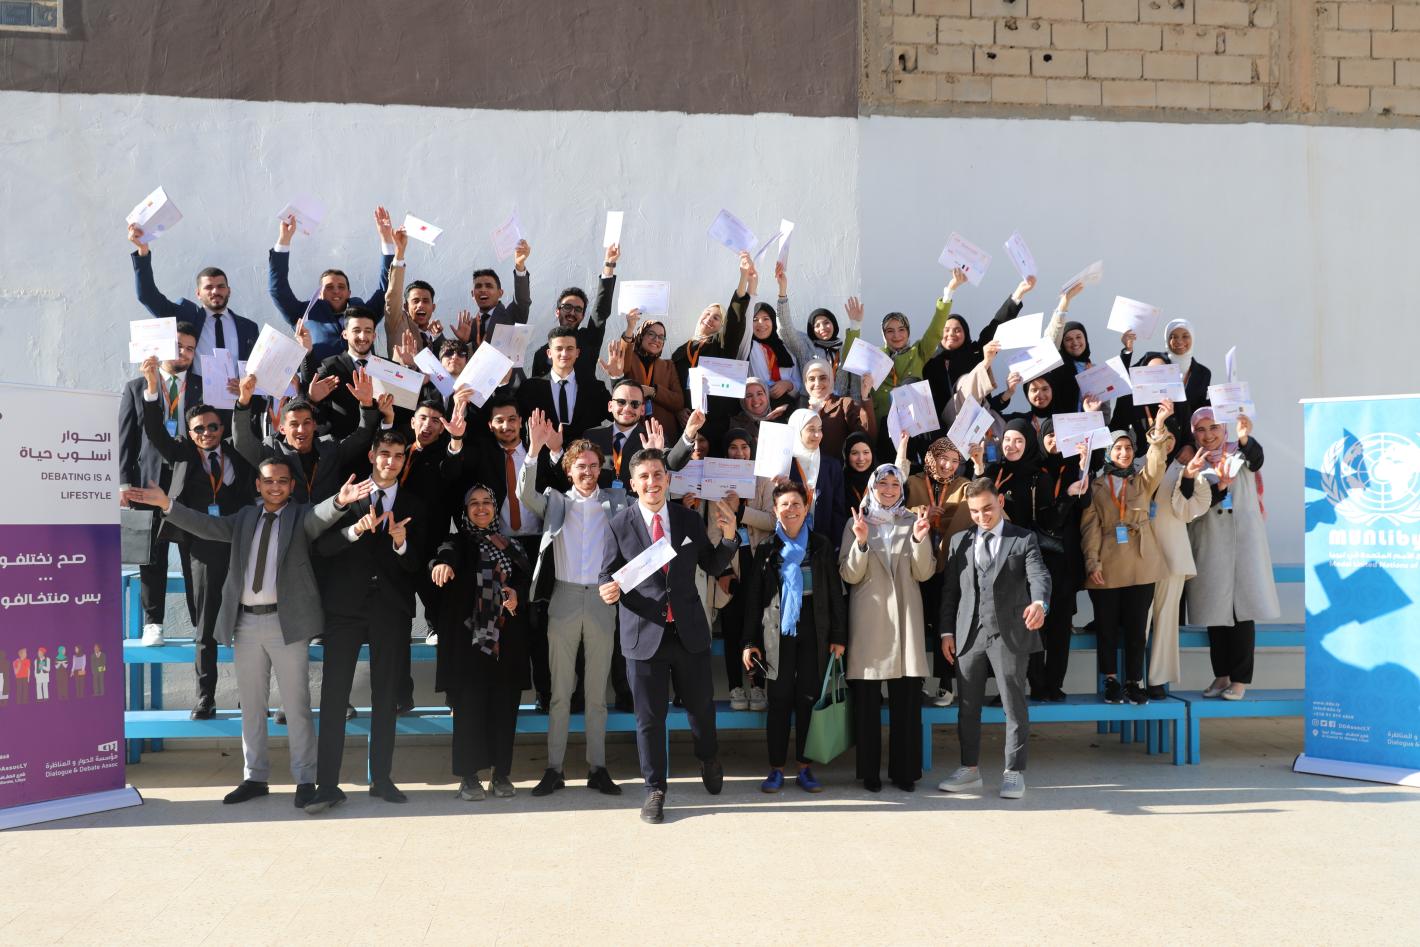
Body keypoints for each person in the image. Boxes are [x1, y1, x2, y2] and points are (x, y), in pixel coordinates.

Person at [122, 464, 369, 807]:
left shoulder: (299, 517)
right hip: (246, 624)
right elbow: (206, 526)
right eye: (268, 481)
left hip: (287, 625)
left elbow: (319, 518)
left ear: (291, 485)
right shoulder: (244, 518)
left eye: (282, 481)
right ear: (258, 484)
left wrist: (339, 501)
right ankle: (255, 777)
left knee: (296, 706)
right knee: (251, 707)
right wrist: (167, 504)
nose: (275, 486)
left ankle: (305, 780)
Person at [598, 448, 741, 824]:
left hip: (688, 631)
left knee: (701, 709)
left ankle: (708, 757)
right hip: (643, 635)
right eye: (644, 476)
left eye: (658, 474)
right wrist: (607, 589)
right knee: (649, 718)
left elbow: (711, 564)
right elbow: (606, 574)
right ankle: (654, 789)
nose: (652, 482)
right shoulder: (618, 525)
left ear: (668, 479)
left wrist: (729, 538)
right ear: (633, 484)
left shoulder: (687, 519)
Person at [305, 431, 426, 813]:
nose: (391, 461)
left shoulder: (413, 503)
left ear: (404, 460)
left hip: (390, 610)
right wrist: (355, 530)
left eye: (398, 455)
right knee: (334, 697)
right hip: (345, 609)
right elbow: (322, 547)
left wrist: (401, 542)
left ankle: (382, 779)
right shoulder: (349, 494)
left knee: (386, 697)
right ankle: (327, 785)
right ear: (372, 456)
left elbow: (417, 564)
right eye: (385, 454)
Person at [139, 355, 257, 718]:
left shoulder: (239, 453)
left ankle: (251, 696)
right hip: (202, 550)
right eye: (199, 429)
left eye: (213, 426)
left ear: (222, 427)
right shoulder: (184, 455)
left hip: (241, 545)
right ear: (190, 434)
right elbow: (155, 431)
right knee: (205, 626)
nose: (207, 433)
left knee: (249, 626)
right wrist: (152, 388)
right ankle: (205, 697)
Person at [519, 423, 629, 797]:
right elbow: (524, 494)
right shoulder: (555, 501)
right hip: (563, 598)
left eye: (594, 465)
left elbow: (650, 502)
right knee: (560, 692)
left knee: (597, 694)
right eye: (581, 466)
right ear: (569, 470)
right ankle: (554, 769)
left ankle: (598, 768)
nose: (588, 472)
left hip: (602, 599)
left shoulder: (617, 500)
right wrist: (533, 451)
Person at [936, 478, 1050, 800]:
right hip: (968, 634)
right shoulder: (959, 541)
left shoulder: (1023, 538)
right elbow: (950, 592)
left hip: (1009, 633)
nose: (981, 516)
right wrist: (947, 631)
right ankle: (969, 769)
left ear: (1000, 501)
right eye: (974, 511)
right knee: (967, 706)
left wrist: (1039, 603)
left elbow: (1039, 575)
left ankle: (1014, 772)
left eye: (987, 508)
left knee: (1013, 705)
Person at [742, 481, 847, 793]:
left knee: (808, 699)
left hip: (815, 628)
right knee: (778, 700)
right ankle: (776, 769)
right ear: (775, 510)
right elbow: (754, 600)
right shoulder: (767, 549)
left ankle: (804, 768)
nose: (791, 510)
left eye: (796, 504)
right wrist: (749, 642)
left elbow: (835, 594)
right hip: (777, 632)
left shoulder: (820, 545)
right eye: (784, 505)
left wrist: (839, 635)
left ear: (806, 508)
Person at [430, 485, 532, 801]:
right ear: (465, 511)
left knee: (504, 710)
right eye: (473, 503)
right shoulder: (457, 542)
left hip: (507, 642)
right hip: (469, 644)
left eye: (487, 502)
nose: (481, 508)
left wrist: (516, 594)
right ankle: (469, 777)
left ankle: (501, 775)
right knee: (469, 711)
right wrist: (442, 565)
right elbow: (445, 556)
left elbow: (525, 581)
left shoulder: (513, 546)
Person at [839, 466, 935, 791]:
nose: (890, 489)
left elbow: (924, 573)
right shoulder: (856, 522)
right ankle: (869, 773)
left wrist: (920, 539)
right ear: (872, 487)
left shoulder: (912, 521)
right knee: (867, 703)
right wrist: (861, 542)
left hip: (905, 619)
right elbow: (849, 575)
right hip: (870, 619)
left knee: (906, 700)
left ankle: (904, 772)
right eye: (883, 483)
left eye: (895, 484)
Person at [1081, 404, 1174, 705]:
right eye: (1118, 448)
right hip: (1107, 562)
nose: (1124, 453)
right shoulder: (1095, 486)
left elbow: (1157, 461)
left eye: (1128, 448)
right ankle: (1110, 680)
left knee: (1137, 628)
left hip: (1141, 560)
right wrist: (1092, 562)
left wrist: (1159, 425)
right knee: (1106, 626)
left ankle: (1135, 681)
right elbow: (1090, 529)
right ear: (1108, 453)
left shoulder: (1142, 481)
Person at [119, 322, 203, 647]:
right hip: (149, 479)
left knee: (194, 554)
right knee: (151, 555)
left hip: (190, 479)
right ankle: (153, 622)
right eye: (178, 346)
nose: (184, 353)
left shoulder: (203, 386)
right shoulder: (136, 386)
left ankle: (201, 622)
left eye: (190, 348)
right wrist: (124, 483)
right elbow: (127, 437)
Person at [1186, 407, 1279, 700]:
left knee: (1242, 612)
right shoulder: (1192, 462)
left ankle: (1240, 679)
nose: (1208, 435)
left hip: (1243, 543)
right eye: (1201, 430)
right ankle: (1221, 675)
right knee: (1215, 612)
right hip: (1210, 541)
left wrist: (1244, 438)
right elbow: (1192, 502)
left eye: (1213, 427)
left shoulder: (1240, 454)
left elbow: (1256, 458)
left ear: (1223, 429)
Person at [268, 206, 396, 361]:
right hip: (319, 375)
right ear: (320, 294)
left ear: (349, 293)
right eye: (329, 287)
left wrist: (387, 240)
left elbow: (387, 288)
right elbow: (278, 289)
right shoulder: (304, 313)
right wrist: (284, 240)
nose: (336, 291)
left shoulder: (364, 312)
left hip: (363, 376)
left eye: (341, 287)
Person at [231, 372, 379, 504]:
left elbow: (362, 436)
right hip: (288, 523)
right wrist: (243, 401)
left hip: (328, 522)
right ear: (282, 429)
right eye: (294, 424)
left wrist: (366, 404)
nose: (301, 430)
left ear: (314, 425)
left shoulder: (330, 448)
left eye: (306, 423)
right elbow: (242, 442)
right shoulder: (272, 451)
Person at [843, 267, 967, 421]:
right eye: (890, 331)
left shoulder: (918, 352)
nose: (896, 335)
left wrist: (949, 292)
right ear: (884, 334)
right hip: (883, 425)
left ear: (908, 332)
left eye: (901, 329)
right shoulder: (876, 356)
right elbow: (850, 358)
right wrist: (855, 326)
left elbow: (935, 330)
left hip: (915, 425)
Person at [1026, 420, 1092, 701]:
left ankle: (1054, 684)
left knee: (1060, 629)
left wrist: (1085, 466)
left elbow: (1086, 502)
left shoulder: (1073, 468)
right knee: (1035, 626)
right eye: (1049, 435)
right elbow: (1045, 518)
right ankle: (1037, 684)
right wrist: (1066, 497)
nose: (1054, 440)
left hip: (1065, 561)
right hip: (1037, 561)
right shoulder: (1033, 470)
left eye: (1059, 435)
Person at [128, 224, 260, 364]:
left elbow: (256, 366)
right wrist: (143, 251)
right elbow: (147, 296)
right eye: (208, 287)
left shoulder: (249, 327)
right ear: (198, 293)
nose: (215, 291)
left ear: (229, 290)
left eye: (221, 286)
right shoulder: (184, 316)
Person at [906, 436, 971, 706]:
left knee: (947, 624)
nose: (948, 465)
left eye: (955, 461)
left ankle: (946, 683)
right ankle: (918, 680)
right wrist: (922, 512)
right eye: (943, 458)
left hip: (947, 565)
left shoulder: (963, 485)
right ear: (932, 457)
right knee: (917, 624)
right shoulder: (912, 483)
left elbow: (974, 510)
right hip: (916, 565)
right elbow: (896, 510)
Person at [1146, 438, 1213, 698]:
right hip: (1138, 556)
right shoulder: (1137, 462)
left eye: (1171, 437)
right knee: (1138, 620)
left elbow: (1190, 509)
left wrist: (1188, 475)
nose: (1166, 441)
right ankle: (1134, 680)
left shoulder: (1187, 469)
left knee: (1166, 620)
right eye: (1160, 435)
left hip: (1173, 555)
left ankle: (1158, 679)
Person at [669, 252, 753, 448]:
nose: (709, 319)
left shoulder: (722, 345)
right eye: (707, 314)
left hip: (716, 421)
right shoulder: (681, 351)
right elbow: (673, 386)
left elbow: (735, 322)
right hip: (687, 421)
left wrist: (743, 278)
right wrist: (678, 410)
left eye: (716, 317)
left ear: (721, 326)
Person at [529, 245, 619, 379]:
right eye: (567, 307)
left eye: (578, 309)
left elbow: (600, 312)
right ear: (557, 312)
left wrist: (609, 265)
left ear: (582, 316)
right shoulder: (541, 354)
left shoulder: (589, 340)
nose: (572, 312)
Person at [518, 327, 612, 442]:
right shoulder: (530, 388)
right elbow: (516, 424)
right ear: (549, 353)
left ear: (577, 353)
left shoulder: (595, 388)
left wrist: (616, 377)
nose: (564, 353)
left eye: (570, 348)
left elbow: (618, 415)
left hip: (586, 452)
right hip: (543, 454)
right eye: (559, 348)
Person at [307, 307, 384, 440]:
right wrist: (312, 400)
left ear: (374, 336)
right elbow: (316, 412)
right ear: (345, 334)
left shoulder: (388, 368)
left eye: (368, 331)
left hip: (382, 446)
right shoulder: (330, 367)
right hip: (344, 445)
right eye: (356, 330)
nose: (362, 336)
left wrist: (409, 368)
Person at [785, 408, 848, 552]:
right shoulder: (785, 466)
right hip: (790, 543)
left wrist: (836, 547)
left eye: (820, 429)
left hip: (823, 546)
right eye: (811, 429)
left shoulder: (831, 466)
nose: (818, 435)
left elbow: (838, 511)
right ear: (797, 431)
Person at [618, 309, 686, 433]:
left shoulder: (668, 366)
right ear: (641, 335)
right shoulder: (629, 360)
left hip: (663, 433)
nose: (656, 339)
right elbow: (623, 355)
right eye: (651, 334)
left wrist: (653, 391)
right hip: (633, 431)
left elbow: (678, 402)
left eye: (661, 337)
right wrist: (630, 327)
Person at [801, 359, 875, 461]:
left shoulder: (844, 404)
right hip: (807, 469)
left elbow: (866, 436)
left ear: (831, 379)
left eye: (823, 378)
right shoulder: (801, 409)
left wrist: (865, 397)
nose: (817, 383)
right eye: (811, 379)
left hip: (837, 469)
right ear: (805, 383)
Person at [466, 239, 532, 347]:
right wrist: (463, 342)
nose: (483, 290)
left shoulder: (510, 316)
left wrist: (519, 266)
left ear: (500, 293)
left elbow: (522, 301)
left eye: (489, 286)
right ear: (473, 294)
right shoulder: (469, 326)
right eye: (478, 286)